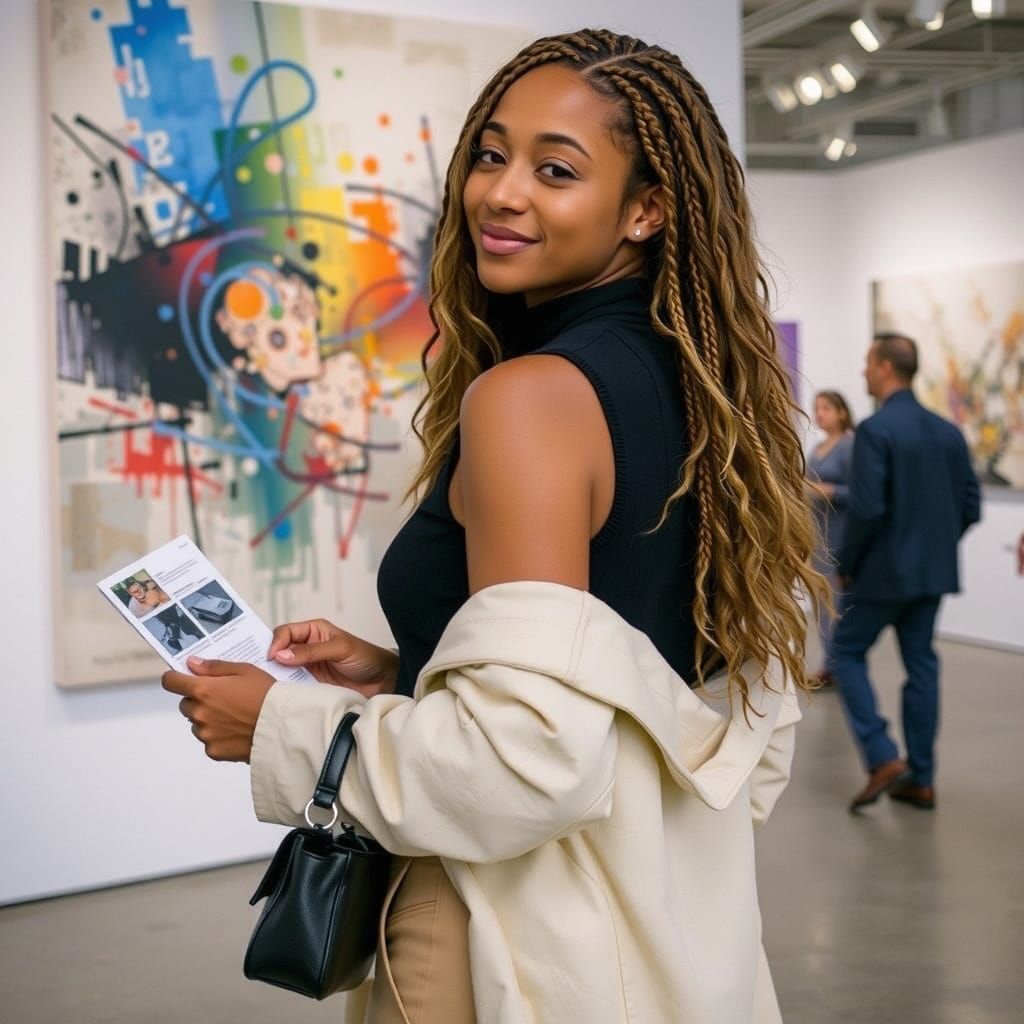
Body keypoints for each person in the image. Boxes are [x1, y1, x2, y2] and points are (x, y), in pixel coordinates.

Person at [161, 29, 828, 1023]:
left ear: (645, 208)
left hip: (501, 936)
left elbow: (528, 763)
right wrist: (408, 670)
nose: (501, 193)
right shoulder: (698, 392)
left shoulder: (530, 401)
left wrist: (282, 726)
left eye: (554, 170)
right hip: (666, 932)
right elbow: (636, 685)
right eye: (489, 153)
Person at [833, 333, 980, 814]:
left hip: (880, 574)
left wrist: (846, 566)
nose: (863, 372)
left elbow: (868, 509)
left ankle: (881, 755)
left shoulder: (876, 431)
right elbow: (970, 506)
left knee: (845, 652)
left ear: (885, 369)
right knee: (921, 666)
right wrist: (935, 547)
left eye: (867, 363)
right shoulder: (948, 430)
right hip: (931, 575)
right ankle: (922, 779)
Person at [805, 391, 855, 684]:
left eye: (826, 408)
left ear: (841, 412)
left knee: (838, 604)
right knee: (822, 603)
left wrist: (832, 491)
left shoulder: (850, 447)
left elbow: (862, 493)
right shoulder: (818, 448)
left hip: (840, 536)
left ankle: (838, 666)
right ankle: (830, 665)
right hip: (818, 537)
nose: (819, 414)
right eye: (817, 408)